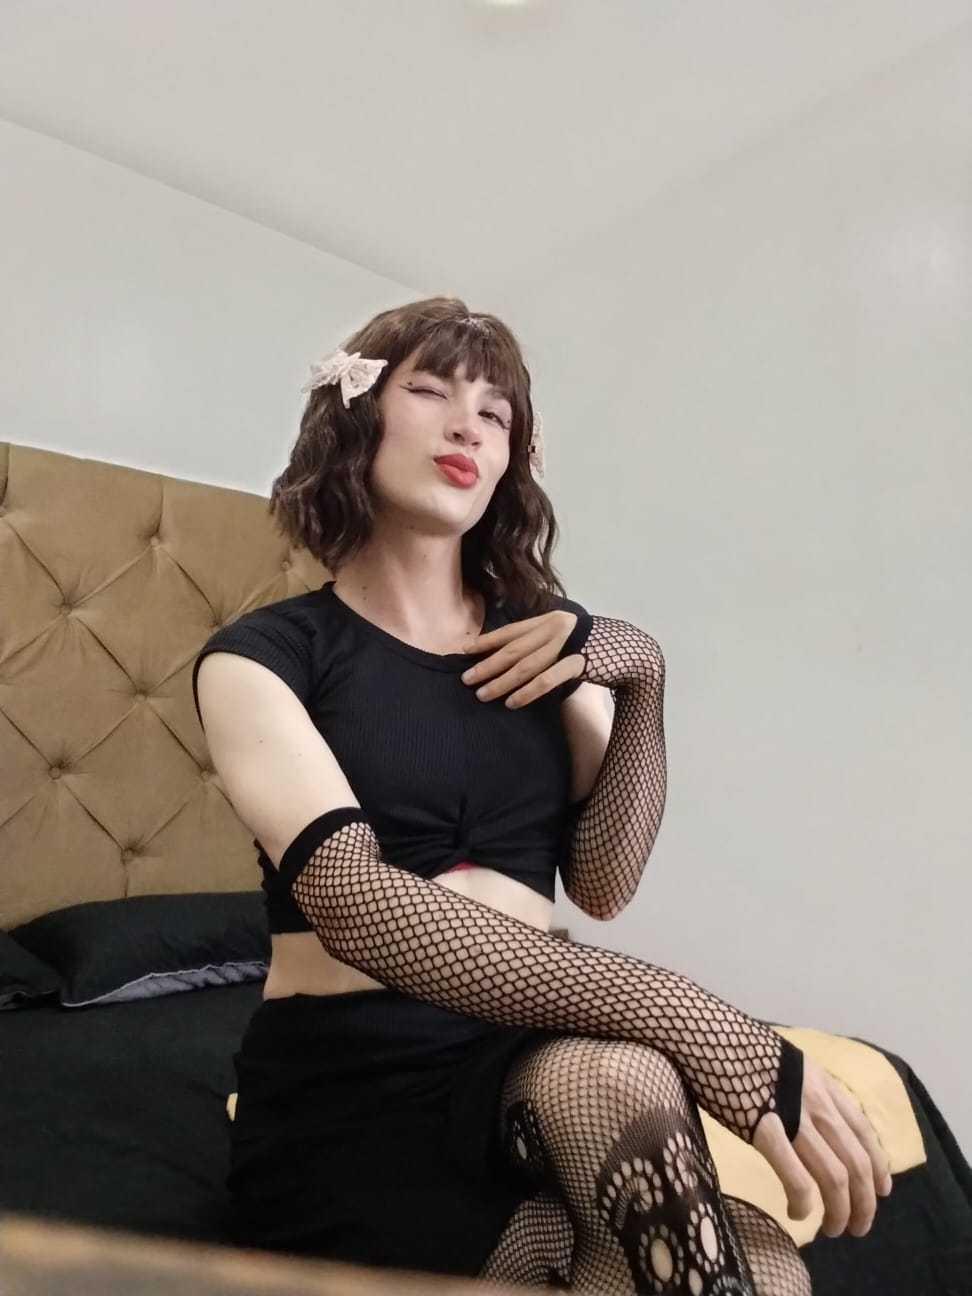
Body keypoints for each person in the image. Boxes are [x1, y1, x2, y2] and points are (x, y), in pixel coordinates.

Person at [193, 297, 891, 1294]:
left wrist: (641, 676)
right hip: (358, 1085)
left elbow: (603, 881)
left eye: (496, 412)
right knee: (718, 1207)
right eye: (430, 391)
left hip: (529, 1061)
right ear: (356, 419)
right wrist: (694, 1019)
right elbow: (355, 905)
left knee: (755, 1245)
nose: (468, 426)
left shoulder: (540, 653)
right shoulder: (263, 658)